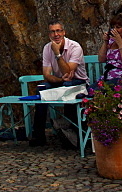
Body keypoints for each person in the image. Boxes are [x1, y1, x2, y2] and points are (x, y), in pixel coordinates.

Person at [30, 19, 88, 148]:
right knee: (41, 89)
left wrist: (57, 54)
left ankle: (74, 133)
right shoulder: (47, 48)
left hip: (79, 82)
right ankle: (38, 135)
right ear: (49, 34)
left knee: (68, 87)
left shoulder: (75, 47)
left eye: (58, 31)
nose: (56, 34)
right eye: (52, 32)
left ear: (64, 32)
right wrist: (61, 80)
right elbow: (46, 74)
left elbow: (68, 70)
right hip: (61, 81)